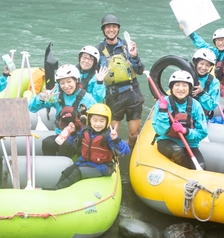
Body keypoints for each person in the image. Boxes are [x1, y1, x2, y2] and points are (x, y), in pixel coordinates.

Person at [52, 104, 130, 190]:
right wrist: (73, 132)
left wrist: (116, 139)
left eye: (102, 121)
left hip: (102, 166)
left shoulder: (108, 136)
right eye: (95, 120)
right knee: (67, 172)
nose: (98, 124)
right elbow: (76, 144)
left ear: (107, 121)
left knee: (77, 173)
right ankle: (55, 189)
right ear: (90, 120)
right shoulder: (86, 130)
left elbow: (125, 151)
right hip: (85, 161)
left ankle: (56, 191)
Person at [97, 14, 146, 148]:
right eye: (108, 27)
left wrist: (134, 56)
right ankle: (115, 157)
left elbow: (140, 70)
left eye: (114, 27)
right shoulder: (99, 50)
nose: (111, 29)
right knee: (114, 134)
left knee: (133, 134)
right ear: (103, 30)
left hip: (133, 94)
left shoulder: (127, 46)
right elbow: (90, 70)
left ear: (118, 29)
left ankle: (130, 152)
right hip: (113, 96)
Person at [29, 64, 97, 157]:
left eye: (69, 82)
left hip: (81, 137)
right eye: (62, 83)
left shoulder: (88, 99)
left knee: (65, 145)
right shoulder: (56, 96)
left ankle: (63, 168)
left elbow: (97, 119)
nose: (66, 86)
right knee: (47, 143)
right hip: (62, 135)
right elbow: (31, 108)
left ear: (76, 80)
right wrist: (42, 98)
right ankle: (51, 166)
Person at [187, 27, 224, 125]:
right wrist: (190, 33)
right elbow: (202, 45)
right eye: (218, 40)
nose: (220, 43)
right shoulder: (217, 53)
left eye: (223, 40)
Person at [152, 71, 208, 170]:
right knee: (176, 150)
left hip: (190, 144)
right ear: (171, 87)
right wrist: (163, 110)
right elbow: (159, 131)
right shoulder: (163, 103)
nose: (181, 89)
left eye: (185, 85)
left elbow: (202, 133)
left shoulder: (196, 105)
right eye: (177, 85)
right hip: (167, 140)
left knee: (201, 167)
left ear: (190, 88)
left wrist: (186, 131)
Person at [191, 48, 220, 119]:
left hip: (201, 117)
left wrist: (201, 93)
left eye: (207, 65)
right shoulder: (186, 75)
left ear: (210, 67)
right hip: (183, 112)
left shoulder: (214, 82)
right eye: (201, 63)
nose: (203, 67)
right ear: (196, 63)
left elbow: (212, 105)